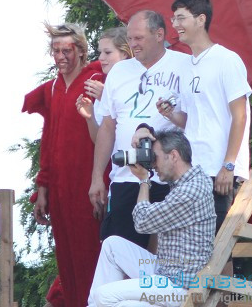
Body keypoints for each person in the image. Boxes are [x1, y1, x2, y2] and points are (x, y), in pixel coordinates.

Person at [89, 11, 191, 249]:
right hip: (125, 177)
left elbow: (195, 120)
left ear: (159, 35)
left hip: (169, 179)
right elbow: (107, 127)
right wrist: (97, 178)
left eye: (139, 38)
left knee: (164, 255)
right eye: (130, 38)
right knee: (120, 250)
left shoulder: (184, 66)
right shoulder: (119, 71)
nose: (133, 44)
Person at [23, 23, 104, 307]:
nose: (60, 56)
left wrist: (101, 182)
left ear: (80, 51)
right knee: (67, 256)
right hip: (60, 188)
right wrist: (41, 189)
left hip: (89, 184)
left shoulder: (96, 79)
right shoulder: (54, 87)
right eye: (55, 50)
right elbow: (49, 140)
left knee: (92, 252)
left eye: (66, 50)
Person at [88, 129, 215, 307]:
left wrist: (143, 181)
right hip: (164, 270)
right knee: (112, 245)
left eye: (154, 157)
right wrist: (144, 134)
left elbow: (142, 222)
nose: (152, 163)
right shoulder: (186, 181)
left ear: (173, 156)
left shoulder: (191, 190)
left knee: (103, 296)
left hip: (179, 286)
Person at [159, 0, 252, 233]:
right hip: (189, 171)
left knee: (218, 249)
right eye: (173, 20)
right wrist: (170, 114)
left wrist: (228, 165)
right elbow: (190, 120)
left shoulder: (227, 60)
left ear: (201, 20)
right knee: (190, 246)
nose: (176, 25)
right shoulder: (186, 66)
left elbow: (239, 115)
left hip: (218, 170)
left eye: (181, 18)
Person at [76, 27, 133, 141]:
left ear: (125, 53)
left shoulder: (141, 80)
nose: (101, 58)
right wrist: (90, 117)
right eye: (100, 52)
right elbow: (99, 140)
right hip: (118, 157)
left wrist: (106, 98)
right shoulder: (106, 86)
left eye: (107, 52)